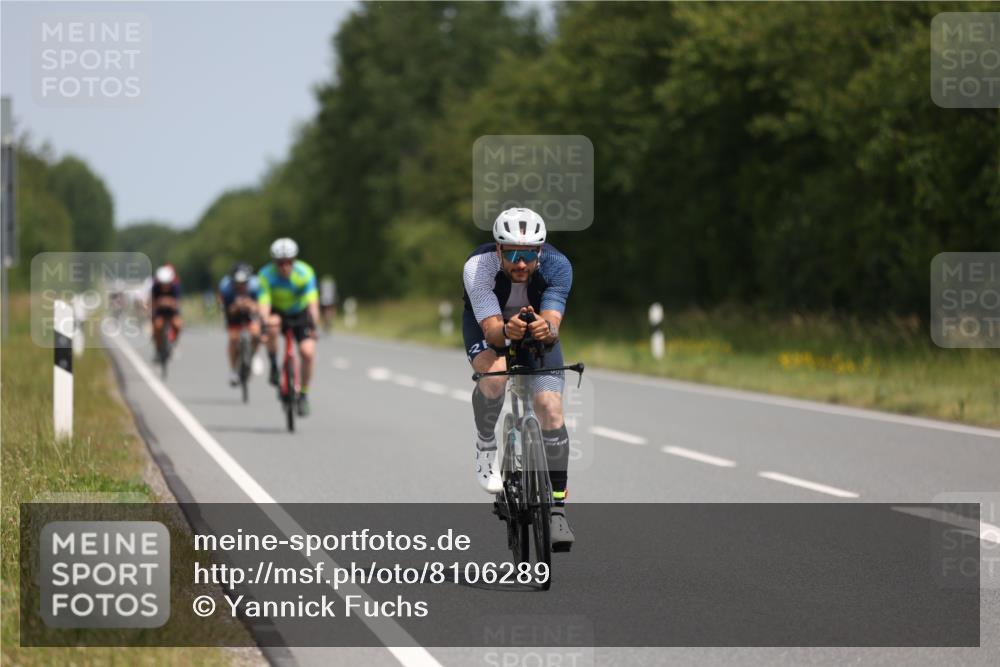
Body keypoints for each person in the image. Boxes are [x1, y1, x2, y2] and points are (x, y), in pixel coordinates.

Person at [462, 207, 575, 551]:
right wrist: (506, 332)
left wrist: (547, 328)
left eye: (528, 254)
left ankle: (556, 508)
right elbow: (494, 332)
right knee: (494, 375)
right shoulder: (478, 267)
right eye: (511, 252)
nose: (520, 262)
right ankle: (485, 446)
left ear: (540, 251)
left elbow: (553, 322)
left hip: (534, 331)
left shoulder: (558, 266)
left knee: (550, 410)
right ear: (497, 250)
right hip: (491, 325)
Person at [257, 238, 320, 416]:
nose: (284, 267)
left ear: (294, 260)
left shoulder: (305, 272)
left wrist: (314, 325)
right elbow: (264, 304)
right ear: (274, 262)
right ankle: (274, 366)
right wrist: (263, 324)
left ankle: (304, 395)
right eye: (280, 263)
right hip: (278, 312)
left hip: (300, 313)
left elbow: (313, 302)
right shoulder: (266, 275)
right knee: (272, 325)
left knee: (307, 353)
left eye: (289, 262)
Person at [217, 262, 262, 386]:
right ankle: (233, 371)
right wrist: (235, 307)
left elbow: (260, 307)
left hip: (249, 315)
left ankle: (255, 356)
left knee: (257, 333)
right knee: (233, 339)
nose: (241, 286)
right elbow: (225, 310)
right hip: (233, 317)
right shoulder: (226, 288)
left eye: (244, 283)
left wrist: (250, 305)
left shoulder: (255, 286)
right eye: (238, 284)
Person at [150, 264, 182, 349]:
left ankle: (173, 342)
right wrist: (160, 303)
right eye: (163, 284)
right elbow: (153, 302)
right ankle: (159, 346)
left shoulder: (175, 287)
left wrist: (168, 302)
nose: (165, 286)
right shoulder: (155, 287)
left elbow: (177, 302)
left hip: (172, 312)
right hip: (159, 312)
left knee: (178, 325)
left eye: (167, 283)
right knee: (157, 326)